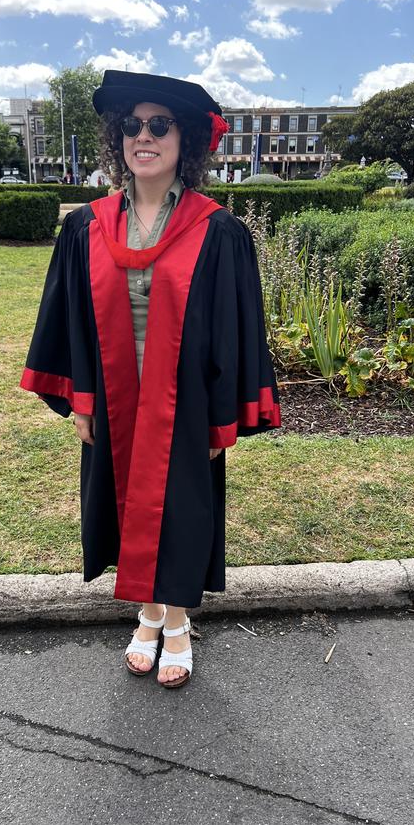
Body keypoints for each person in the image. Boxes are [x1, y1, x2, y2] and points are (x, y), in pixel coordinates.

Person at [20, 70, 281, 689]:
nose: (144, 136)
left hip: (184, 398)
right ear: (119, 140)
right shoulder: (86, 225)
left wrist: (223, 413)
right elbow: (69, 319)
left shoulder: (217, 230)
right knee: (127, 505)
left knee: (182, 509)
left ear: (184, 140)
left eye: (159, 125)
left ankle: (176, 623)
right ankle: (147, 612)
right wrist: (80, 398)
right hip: (114, 392)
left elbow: (234, 329)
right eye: (132, 125)